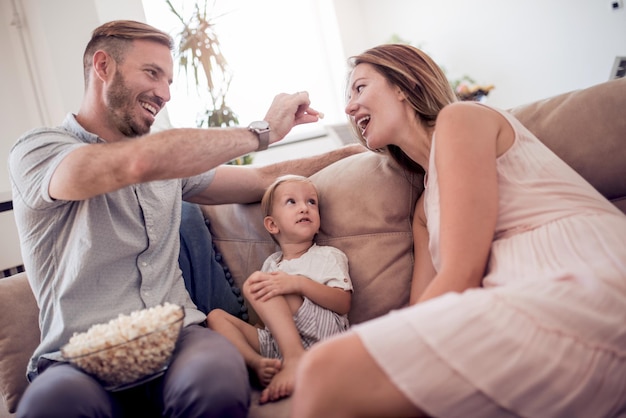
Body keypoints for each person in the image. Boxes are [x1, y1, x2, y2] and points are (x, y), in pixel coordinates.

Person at [8, 20, 363, 418]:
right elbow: (134, 162)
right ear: (103, 66)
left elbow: (260, 180)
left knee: (216, 383)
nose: (165, 93)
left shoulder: (171, 169)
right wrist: (260, 132)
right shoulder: (39, 151)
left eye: (170, 80)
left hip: (181, 341)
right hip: (76, 357)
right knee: (50, 408)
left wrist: (348, 154)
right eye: (152, 73)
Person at [291, 44, 626, 417]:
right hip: (514, 302)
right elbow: (424, 309)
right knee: (341, 376)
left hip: (584, 279)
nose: (349, 107)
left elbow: (460, 274)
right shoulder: (423, 210)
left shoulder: (462, 119)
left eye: (360, 89)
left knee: (324, 371)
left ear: (405, 83)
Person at [207, 174, 353, 405]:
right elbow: (267, 320)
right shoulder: (271, 265)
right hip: (278, 345)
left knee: (265, 283)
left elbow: (343, 303)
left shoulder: (327, 255)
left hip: (321, 333)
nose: (304, 208)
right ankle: (258, 363)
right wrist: (254, 333)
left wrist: (297, 284)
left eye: (311, 202)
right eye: (292, 202)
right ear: (272, 225)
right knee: (215, 317)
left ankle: (295, 358)